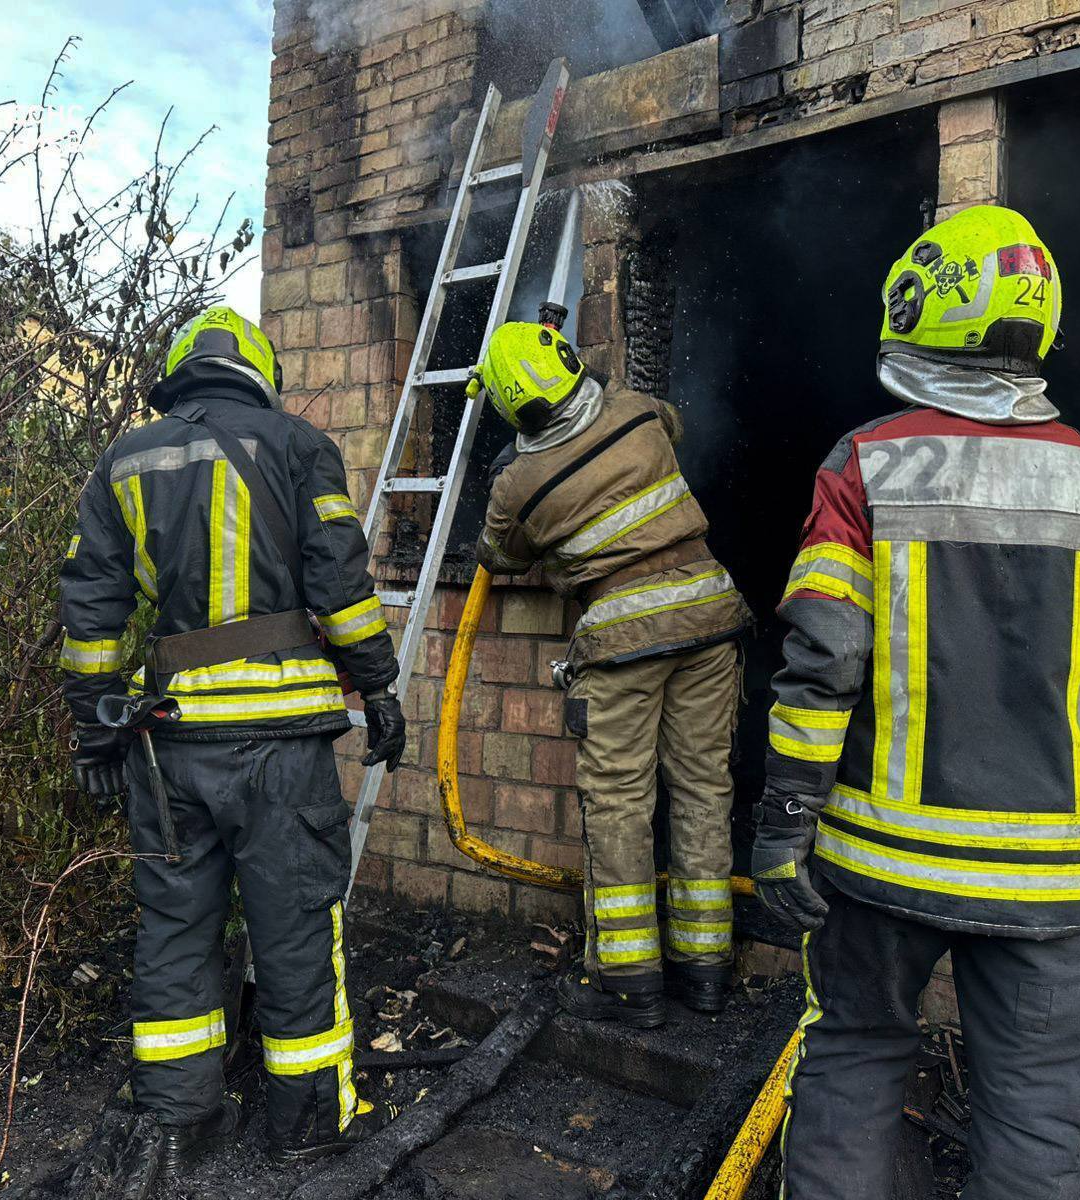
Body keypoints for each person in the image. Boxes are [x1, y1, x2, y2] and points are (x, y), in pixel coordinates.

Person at [755, 205, 1080, 1199]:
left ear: (917, 308)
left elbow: (825, 657)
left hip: (880, 871)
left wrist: (784, 821)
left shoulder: (865, 464)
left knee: (854, 1061)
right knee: (1035, 1123)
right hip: (1047, 884)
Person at [58, 305, 408, 1181]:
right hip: (281, 748)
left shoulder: (125, 461)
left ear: (180, 372)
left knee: (176, 927)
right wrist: (377, 685)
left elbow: (92, 612)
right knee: (295, 928)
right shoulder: (298, 446)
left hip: (168, 743)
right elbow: (340, 585)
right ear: (257, 372)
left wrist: (95, 729)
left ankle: (179, 1121)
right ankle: (306, 1125)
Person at [470, 319, 753, 1027]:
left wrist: (509, 467)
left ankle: (629, 984)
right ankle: (705, 970)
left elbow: (498, 556)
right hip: (710, 616)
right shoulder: (637, 412)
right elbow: (674, 424)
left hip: (623, 641)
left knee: (620, 803)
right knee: (703, 789)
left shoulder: (519, 485)